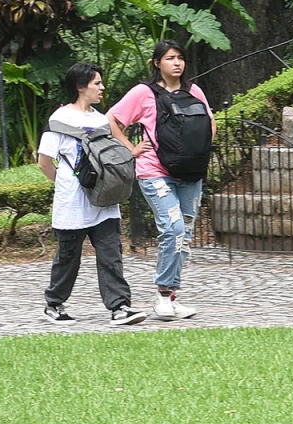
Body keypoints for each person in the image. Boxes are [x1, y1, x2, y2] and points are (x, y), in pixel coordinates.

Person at [108, 39, 215, 321]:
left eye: (180, 58)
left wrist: (195, 152)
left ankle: (172, 295)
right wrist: (131, 149)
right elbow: (113, 120)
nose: (177, 63)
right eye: (170, 58)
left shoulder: (194, 91)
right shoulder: (143, 93)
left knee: (185, 235)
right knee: (174, 228)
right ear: (157, 63)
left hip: (191, 173)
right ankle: (163, 294)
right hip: (155, 171)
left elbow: (210, 124)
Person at [38, 63, 147, 326]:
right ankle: (54, 304)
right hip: (73, 203)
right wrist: (67, 184)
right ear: (80, 87)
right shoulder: (59, 121)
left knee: (111, 254)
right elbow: (44, 162)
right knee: (68, 257)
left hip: (104, 199)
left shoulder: (100, 120)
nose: (102, 88)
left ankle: (120, 307)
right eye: (97, 83)